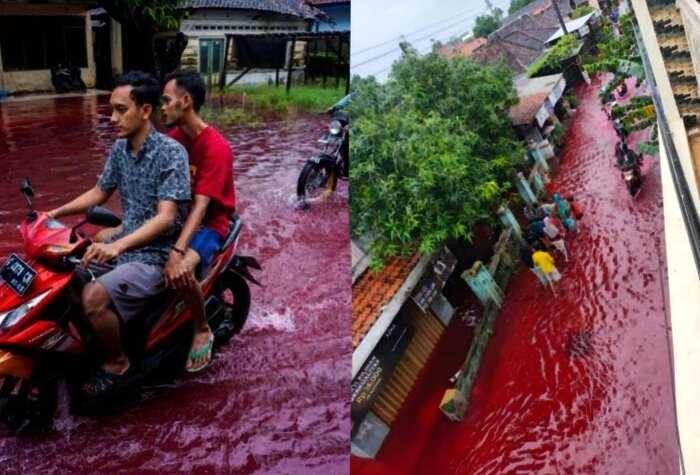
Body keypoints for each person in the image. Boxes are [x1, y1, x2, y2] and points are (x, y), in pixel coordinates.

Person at [47, 71, 191, 395]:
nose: (112, 118)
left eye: (120, 109)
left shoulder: (171, 153)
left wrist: (118, 244)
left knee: (93, 297)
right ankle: (98, 343)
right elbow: (99, 192)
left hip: (156, 254)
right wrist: (53, 213)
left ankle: (118, 362)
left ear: (145, 110)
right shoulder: (120, 148)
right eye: (111, 109)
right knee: (66, 281)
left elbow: (166, 218)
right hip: (124, 244)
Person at [161, 70, 236, 372]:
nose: (162, 107)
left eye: (166, 101)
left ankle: (201, 326)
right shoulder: (174, 140)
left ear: (186, 101)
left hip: (210, 225)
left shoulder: (216, 147)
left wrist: (178, 252)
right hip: (180, 217)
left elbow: (203, 206)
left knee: (180, 271)